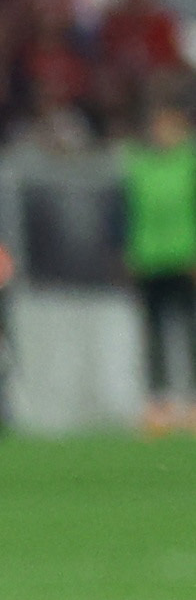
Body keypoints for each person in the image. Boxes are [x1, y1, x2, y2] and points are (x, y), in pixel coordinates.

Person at [125, 97, 196, 434]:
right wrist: (129, 253)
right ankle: (159, 402)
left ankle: (193, 402)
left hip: (186, 259)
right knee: (153, 336)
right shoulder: (139, 165)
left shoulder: (189, 163)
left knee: (191, 332)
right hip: (149, 259)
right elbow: (127, 215)